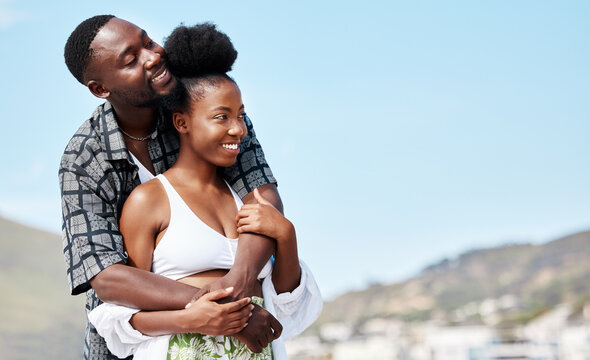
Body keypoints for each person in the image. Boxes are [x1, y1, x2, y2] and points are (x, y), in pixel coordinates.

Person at [88, 23, 322, 360]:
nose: (238, 129)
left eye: (241, 116)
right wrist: (193, 317)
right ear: (182, 123)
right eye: (221, 116)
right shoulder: (149, 201)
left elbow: (287, 307)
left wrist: (286, 235)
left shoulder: (247, 199)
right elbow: (122, 314)